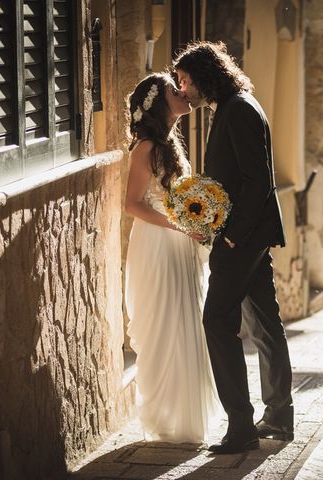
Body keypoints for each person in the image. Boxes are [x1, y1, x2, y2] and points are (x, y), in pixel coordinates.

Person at [173, 41, 294, 454]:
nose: (182, 89)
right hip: (250, 234)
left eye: (185, 80)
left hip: (244, 236)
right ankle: (278, 417)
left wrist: (232, 234)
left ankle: (241, 427)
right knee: (263, 323)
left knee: (216, 322)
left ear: (205, 76)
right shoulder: (232, 105)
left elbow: (257, 180)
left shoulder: (240, 109)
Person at [124, 72, 220, 443]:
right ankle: (165, 416)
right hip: (157, 244)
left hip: (177, 241)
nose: (183, 92)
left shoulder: (169, 145)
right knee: (166, 323)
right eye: (173, 88)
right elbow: (132, 204)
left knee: (186, 323)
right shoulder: (145, 147)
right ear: (159, 102)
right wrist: (180, 227)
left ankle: (185, 416)